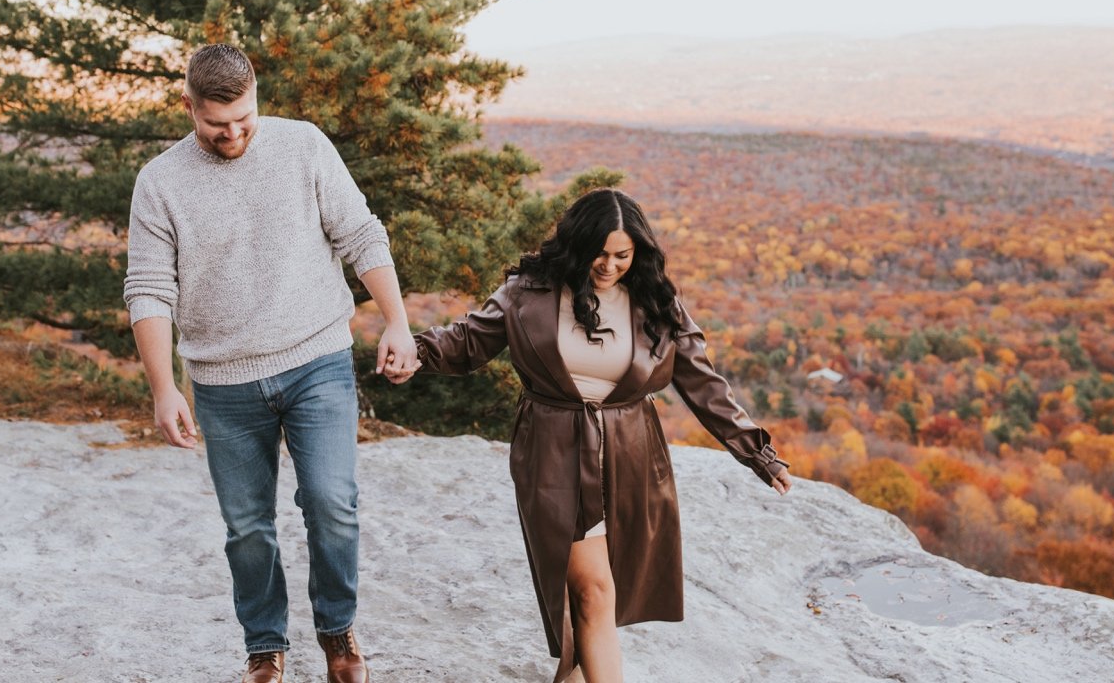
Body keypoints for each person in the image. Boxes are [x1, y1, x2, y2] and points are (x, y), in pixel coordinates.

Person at [409, 188, 792, 683]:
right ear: (576, 243)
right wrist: (413, 351)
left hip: (632, 457)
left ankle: (572, 674)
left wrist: (758, 453)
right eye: (600, 253)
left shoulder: (656, 300)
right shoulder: (529, 292)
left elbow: (702, 382)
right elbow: (465, 342)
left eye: (622, 256)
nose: (609, 266)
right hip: (553, 453)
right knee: (594, 590)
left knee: (599, 591)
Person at [124, 43, 416, 683]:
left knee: (332, 503)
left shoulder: (304, 146)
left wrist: (395, 319)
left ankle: (338, 634)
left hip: (317, 360)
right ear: (188, 107)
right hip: (223, 383)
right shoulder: (161, 181)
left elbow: (360, 232)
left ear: (258, 98)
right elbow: (148, 289)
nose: (233, 135)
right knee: (247, 528)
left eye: (245, 120)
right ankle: (265, 648)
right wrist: (163, 387)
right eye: (216, 124)